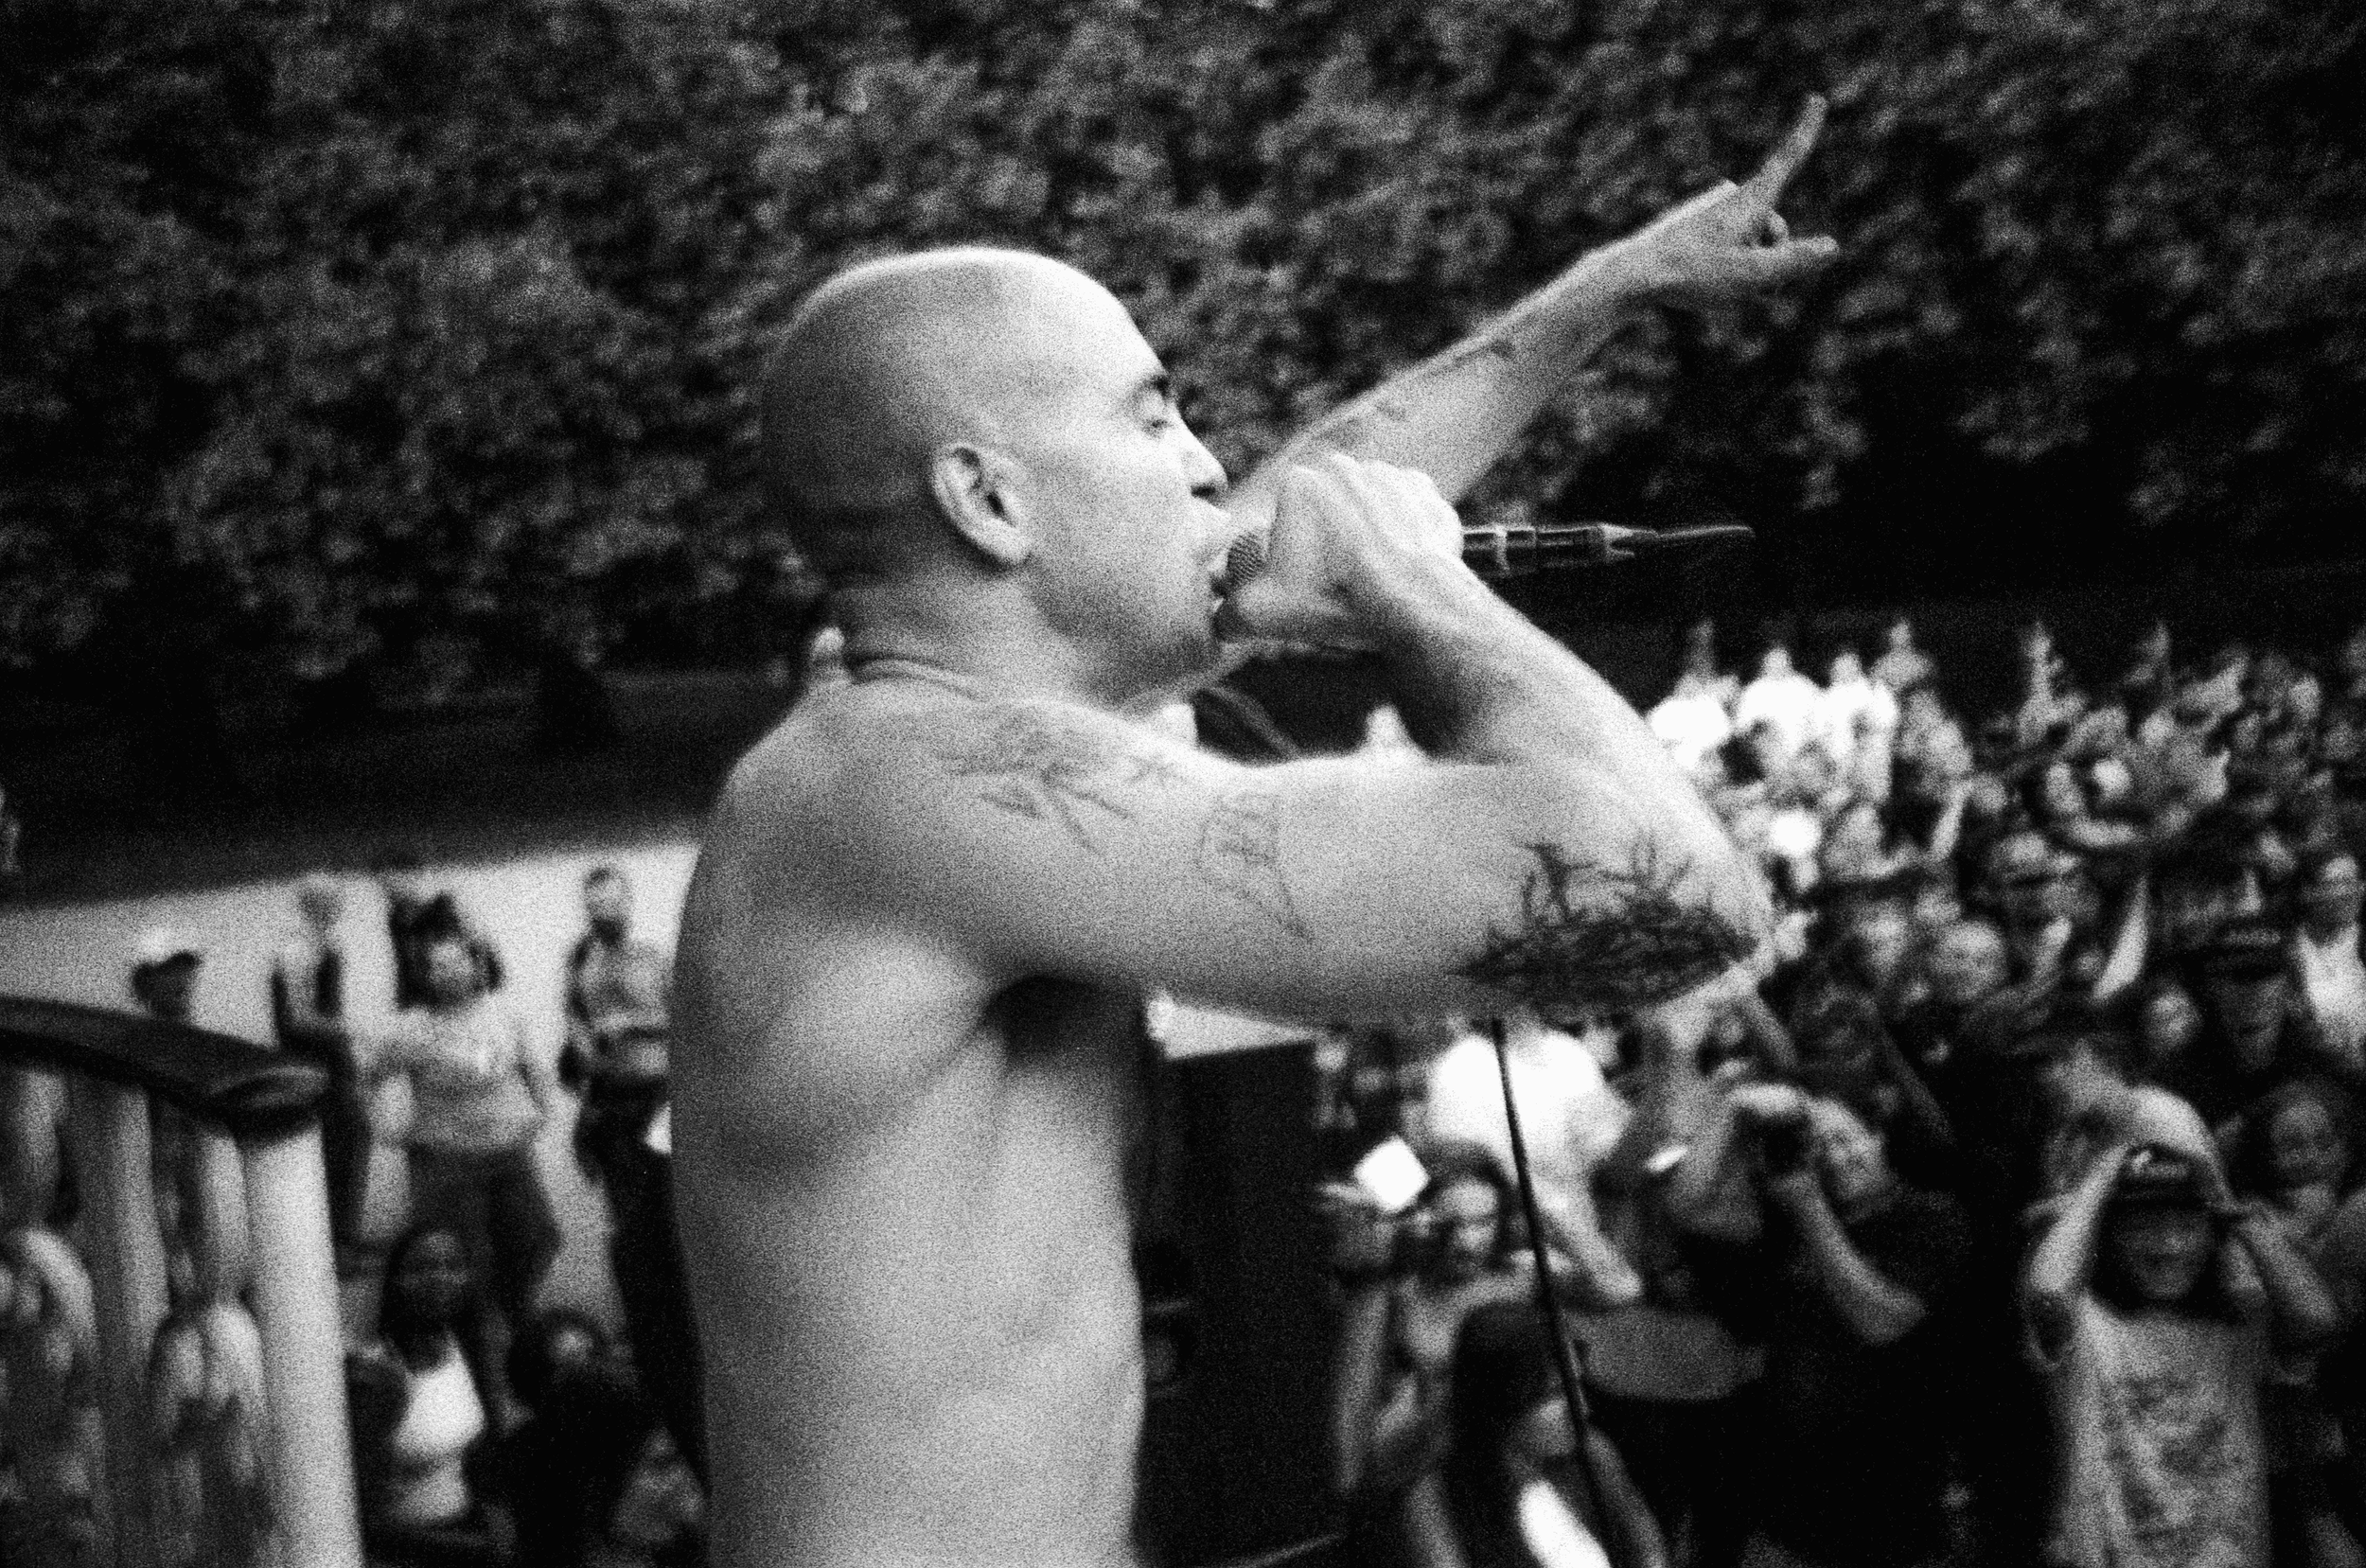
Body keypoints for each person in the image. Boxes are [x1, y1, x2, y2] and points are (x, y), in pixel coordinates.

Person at [675, 100, 1833, 1568]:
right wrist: (1424, 595)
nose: (1213, 464)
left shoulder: (906, 746)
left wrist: (1604, 294)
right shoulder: (909, 797)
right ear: (987, 498)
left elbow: (1269, 522)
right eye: (1155, 415)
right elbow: (1677, 891)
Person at [2023, 1099, 2339, 1568]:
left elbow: (2316, 1318)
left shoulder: (2241, 1324)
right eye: (2146, 1225)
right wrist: (2104, 1179)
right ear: (2111, 1235)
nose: (2168, 1246)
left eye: (2187, 1225)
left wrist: (2230, 1207)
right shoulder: (2087, 1325)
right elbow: (2047, 1290)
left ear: (2213, 1235)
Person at [370, 932, 561, 1330]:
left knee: (537, 1236)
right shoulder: (410, 1029)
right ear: (425, 976)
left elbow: (533, 1069)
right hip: (447, 1163)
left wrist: (543, 1112)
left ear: (475, 966)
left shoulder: (505, 1015)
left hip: (508, 1155)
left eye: (457, 963)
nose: (448, 973)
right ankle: (480, 1345)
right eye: (437, 966)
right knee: (468, 1261)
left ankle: (515, 1315)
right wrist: (385, 1128)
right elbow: (367, 1076)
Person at [348, 1224, 510, 1568]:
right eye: (421, 1268)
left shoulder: (464, 1349)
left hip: (466, 1530)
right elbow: (364, 1523)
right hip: (411, 1552)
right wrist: (477, 1549)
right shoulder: (377, 1376)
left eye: (453, 1267)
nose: (441, 1278)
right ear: (394, 1282)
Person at [272, 872, 371, 1245]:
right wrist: (355, 1031)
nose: (336, 908)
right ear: (311, 905)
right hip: (311, 1068)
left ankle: (344, 1238)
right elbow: (297, 1019)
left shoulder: (325, 944)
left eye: (336, 900)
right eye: (328, 901)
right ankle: (335, 1243)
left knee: (351, 1142)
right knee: (334, 1152)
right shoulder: (297, 951)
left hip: (331, 1064)